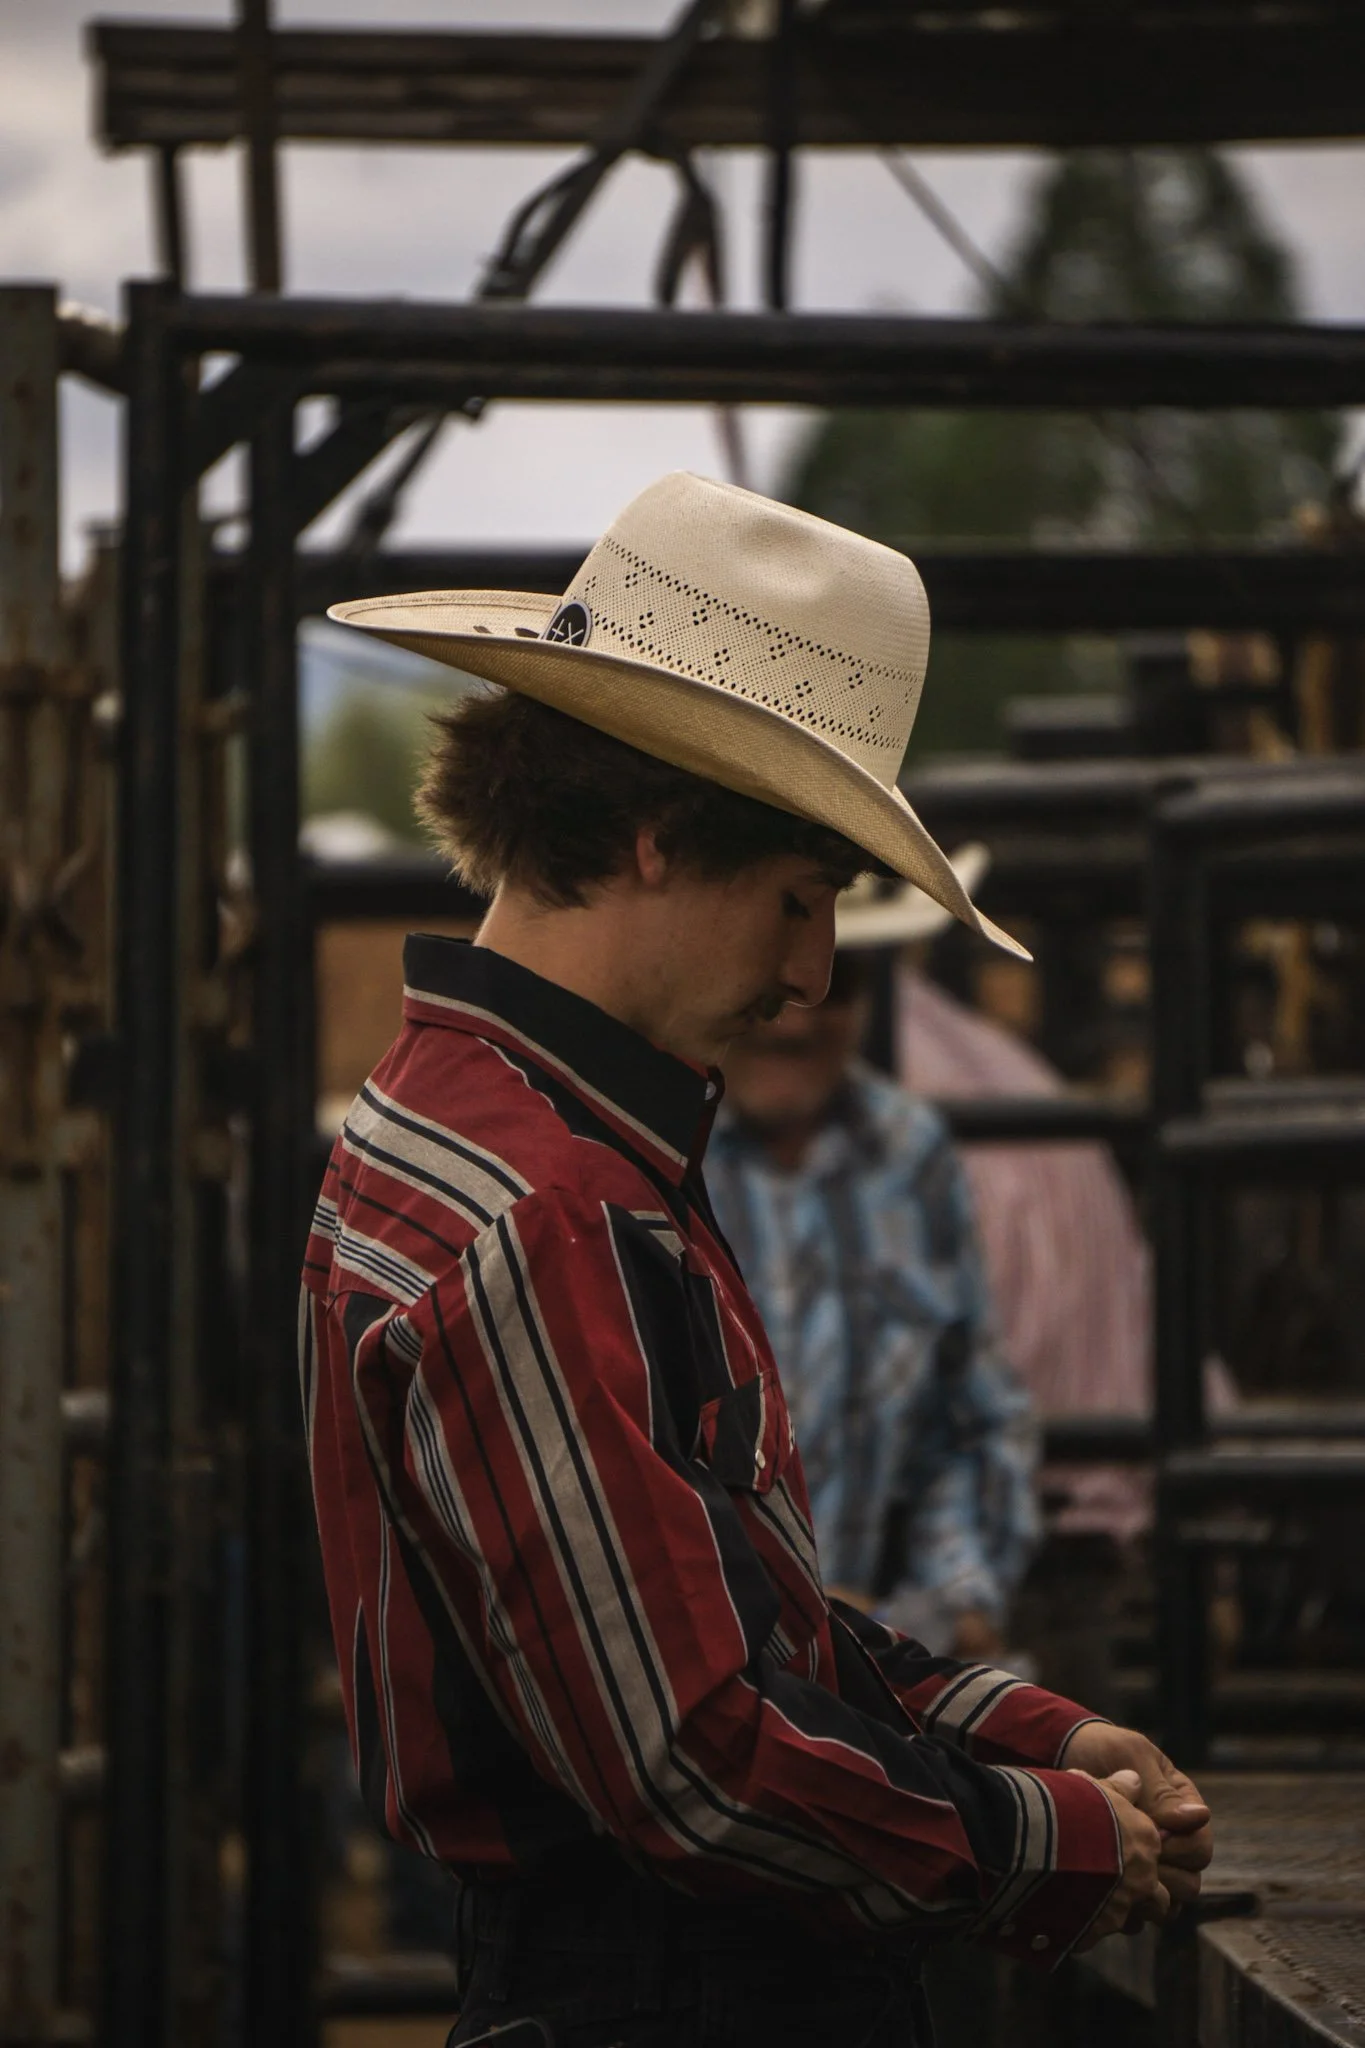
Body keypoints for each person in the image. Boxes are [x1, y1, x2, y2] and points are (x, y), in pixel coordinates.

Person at [305, 473, 1212, 2048]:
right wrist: (1035, 1836)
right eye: (800, 901)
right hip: (678, 1991)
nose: (810, 975)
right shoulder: (551, 1210)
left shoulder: (483, 1136)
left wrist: (1014, 1727)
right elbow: (695, 1753)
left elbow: (717, 1614)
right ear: (659, 840)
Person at [707, 859, 1037, 1665]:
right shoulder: (653, 1154)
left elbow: (966, 1412)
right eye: (771, 981)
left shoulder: (908, 1152)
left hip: (872, 1637)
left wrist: (953, 1599)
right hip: (700, 1639)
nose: (797, 1018)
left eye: (838, 978)